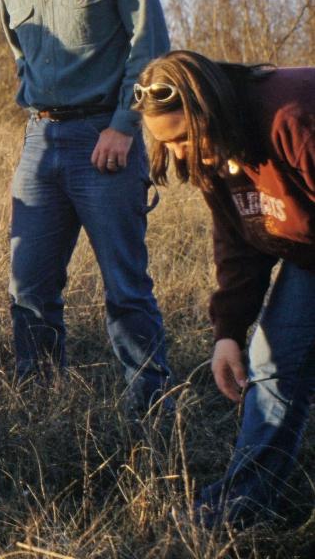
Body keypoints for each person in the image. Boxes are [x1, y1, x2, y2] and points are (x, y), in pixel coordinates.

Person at [0, 0, 172, 416]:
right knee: (30, 287)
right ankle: (41, 408)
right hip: (40, 141)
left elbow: (150, 48)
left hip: (105, 140)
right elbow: (22, 56)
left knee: (124, 284)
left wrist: (124, 125)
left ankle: (151, 410)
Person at [134, 50, 315, 527]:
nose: (177, 155)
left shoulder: (293, 117)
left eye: (180, 139)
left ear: (206, 110)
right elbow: (240, 242)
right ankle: (240, 511)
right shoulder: (214, 150)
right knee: (270, 363)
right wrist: (228, 332)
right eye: (165, 145)